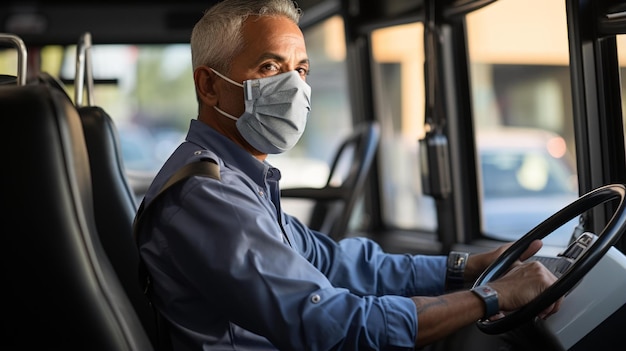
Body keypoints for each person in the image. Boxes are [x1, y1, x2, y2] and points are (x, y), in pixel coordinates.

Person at [135, 0, 561, 349]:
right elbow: (328, 325)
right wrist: (491, 295)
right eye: (269, 67)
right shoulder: (210, 197)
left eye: (300, 70)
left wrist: (469, 267)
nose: (295, 88)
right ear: (209, 86)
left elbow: (338, 262)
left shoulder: (241, 180)